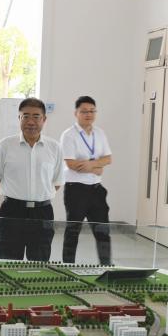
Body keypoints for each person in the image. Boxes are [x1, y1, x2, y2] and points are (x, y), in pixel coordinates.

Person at [0, 98, 64, 261]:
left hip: (42, 213)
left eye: (36, 117)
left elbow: (57, 182)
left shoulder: (54, 147)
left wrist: (39, 195)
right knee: (8, 262)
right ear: (19, 118)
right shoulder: (5, 146)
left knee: (39, 264)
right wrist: (15, 193)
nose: (31, 122)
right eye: (26, 116)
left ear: (44, 119)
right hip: (12, 211)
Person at [59, 96, 113, 265]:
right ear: (76, 113)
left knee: (103, 231)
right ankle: (68, 266)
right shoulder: (69, 135)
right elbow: (71, 163)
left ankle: (106, 266)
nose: (88, 114)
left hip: (96, 190)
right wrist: (97, 167)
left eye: (92, 111)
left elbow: (108, 158)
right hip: (76, 190)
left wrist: (90, 165)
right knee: (73, 231)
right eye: (84, 111)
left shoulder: (100, 133)